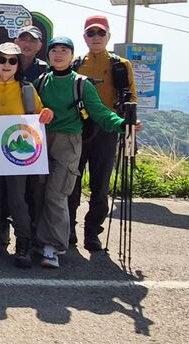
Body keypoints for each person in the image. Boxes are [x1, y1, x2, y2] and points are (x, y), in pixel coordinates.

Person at [32, 36, 138, 269]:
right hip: (40, 141)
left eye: (64, 50)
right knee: (39, 193)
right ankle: (39, 242)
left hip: (68, 142)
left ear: (72, 56)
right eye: (54, 50)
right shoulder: (41, 82)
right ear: (48, 55)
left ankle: (53, 247)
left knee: (56, 194)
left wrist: (122, 124)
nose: (59, 54)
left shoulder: (81, 84)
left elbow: (100, 112)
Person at [0, 43, 53, 268]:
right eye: (2, 59)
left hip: (18, 155)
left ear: (18, 65)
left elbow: (38, 114)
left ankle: (23, 244)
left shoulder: (27, 89)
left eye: (12, 61)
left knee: (17, 199)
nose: (6, 64)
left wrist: (47, 113)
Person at [68, 15, 137, 251]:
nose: (96, 37)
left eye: (100, 33)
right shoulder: (76, 63)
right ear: (84, 37)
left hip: (107, 129)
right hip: (79, 127)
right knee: (71, 181)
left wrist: (129, 124)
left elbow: (131, 96)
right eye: (91, 33)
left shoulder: (121, 65)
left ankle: (92, 233)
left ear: (108, 36)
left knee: (100, 185)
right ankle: (68, 229)